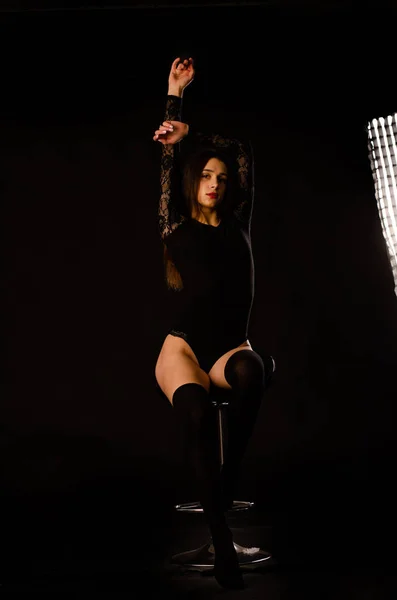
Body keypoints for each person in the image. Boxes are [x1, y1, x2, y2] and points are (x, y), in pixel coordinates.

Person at [153, 57, 275, 590]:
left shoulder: (240, 221)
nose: (215, 182)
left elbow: (243, 150)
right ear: (192, 180)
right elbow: (167, 158)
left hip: (228, 350)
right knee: (198, 411)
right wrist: (176, 101)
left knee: (255, 371)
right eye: (205, 174)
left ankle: (223, 489)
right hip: (182, 350)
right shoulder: (172, 221)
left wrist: (197, 130)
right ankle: (220, 536)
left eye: (221, 178)